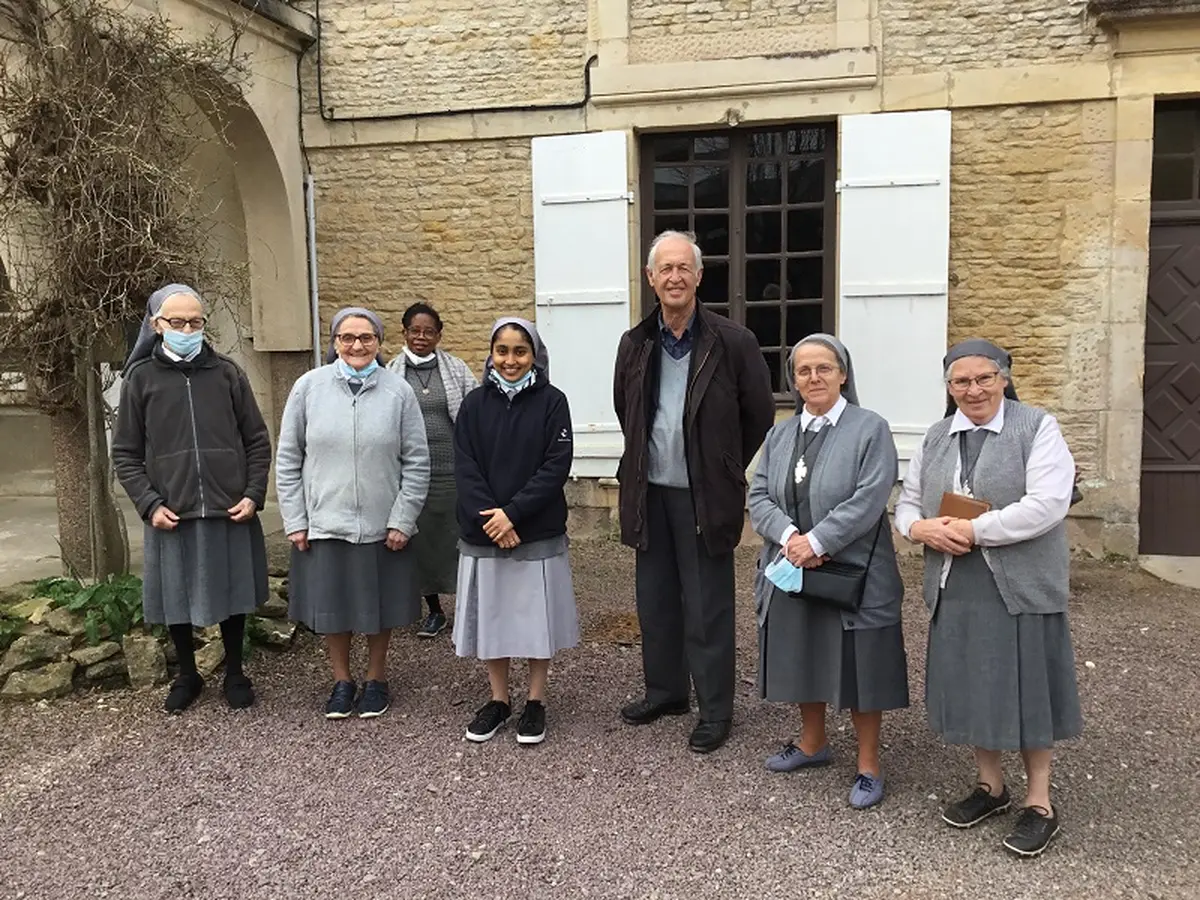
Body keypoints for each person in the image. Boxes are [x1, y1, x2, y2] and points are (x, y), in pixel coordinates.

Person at [895, 338, 1083, 858]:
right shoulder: (935, 437)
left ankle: (1040, 803)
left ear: (1004, 377)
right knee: (977, 683)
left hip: (1020, 584)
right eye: (961, 381)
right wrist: (922, 529)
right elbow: (906, 505)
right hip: (957, 584)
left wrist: (976, 531)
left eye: (984, 378)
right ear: (949, 387)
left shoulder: (1037, 426)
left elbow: (1047, 504)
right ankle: (991, 786)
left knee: (1027, 687)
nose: (973, 389)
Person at [613, 230, 775, 754]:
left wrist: (722, 466)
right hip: (649, 493)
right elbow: (626, 410)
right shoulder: (635, 343)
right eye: (666, 269)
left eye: (685, 268)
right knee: (656, 601)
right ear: (651, 279)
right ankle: (665, 692)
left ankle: (714, 710)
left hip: (704, 497)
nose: (675, 277)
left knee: (707, 607)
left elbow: (759, 414)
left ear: (699, 277)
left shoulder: (733, 341)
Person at [748, 334, 909, 809]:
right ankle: (813, 743)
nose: (813, 378)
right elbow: (758, 496)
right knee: (804, 651)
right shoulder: (779, 435)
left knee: (861, 664)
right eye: (803, 371)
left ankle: (868, 765)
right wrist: (792, 540)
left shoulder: (869, 428)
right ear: (793, 381)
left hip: (855, 569)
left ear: (843, 374)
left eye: (824, 368)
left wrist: (818, 542)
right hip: (794, 564)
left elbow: (871, 494)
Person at [113, 283, 271, 713]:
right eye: (177, 322)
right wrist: (148, 503)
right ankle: (188, 674)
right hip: (172, 509)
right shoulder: (140, 380)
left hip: (229, 507)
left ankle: (236, 670)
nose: (187, 328)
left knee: (234, 591)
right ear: (156, 325)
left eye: (195, 322)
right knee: (177, 594)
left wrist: (255, 493)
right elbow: (125, 454)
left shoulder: (227, 373)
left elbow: (257, 440)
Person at [276, 307, 430, 720]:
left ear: (379, 343)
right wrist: (296, 519)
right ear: (335, 342)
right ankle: (342, 680)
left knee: (380, 607)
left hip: (383, 524)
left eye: (365, 338)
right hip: (327, 521)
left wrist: (403, 518)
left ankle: (377, 678)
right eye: (347, 338)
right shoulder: (308, 388)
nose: (356, 345)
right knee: (334, 607)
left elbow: (417, 461)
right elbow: (288, 458)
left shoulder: (398, 392)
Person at [452, 317, 578, 746]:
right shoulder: (473, 405)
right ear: (491, 354)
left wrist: (514, 514)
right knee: (495, 617)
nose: (510, 360)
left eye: (520, 351)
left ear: (534, 356)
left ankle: (536, 700)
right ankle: (499, 698)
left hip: (534, 530)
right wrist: (494, 518)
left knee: (535, 619)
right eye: (502, 351)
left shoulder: (553, 402)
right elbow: (465, 466)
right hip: (487, 530)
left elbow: (555, 467)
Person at [386, 302, 479, 639]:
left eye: (428, 331)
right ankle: (435, 611)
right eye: (415, 331)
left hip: (454, 472)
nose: (421, 337)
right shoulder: (391, 375)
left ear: (439, 335)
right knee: (422, 546)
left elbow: (476, 413)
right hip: (412, 476)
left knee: (461, 540)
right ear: (404, 333)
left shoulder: (456, 370)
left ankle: (471, 609)